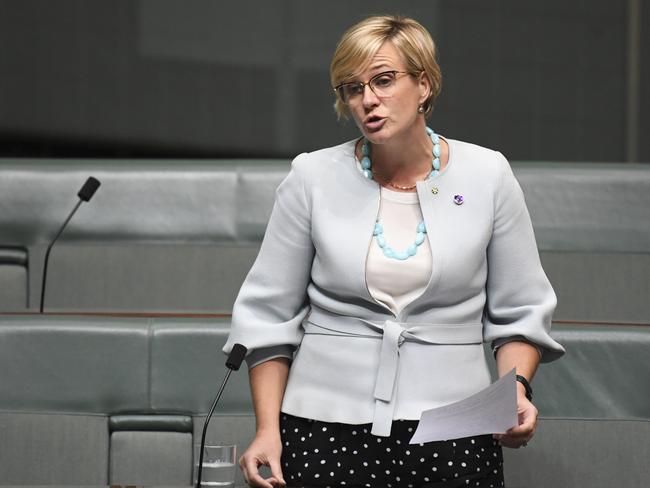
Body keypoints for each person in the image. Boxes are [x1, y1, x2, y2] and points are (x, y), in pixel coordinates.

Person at [224, 14, 564, 488]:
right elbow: (267, 317)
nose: (368, 100)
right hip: (322, 423)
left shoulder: (488, 175)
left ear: (424, 85)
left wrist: (516, 391)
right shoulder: (312, 177)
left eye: (384, 80)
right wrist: (266, 430)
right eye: (352, 88)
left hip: (456, 426)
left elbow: (521, 311)